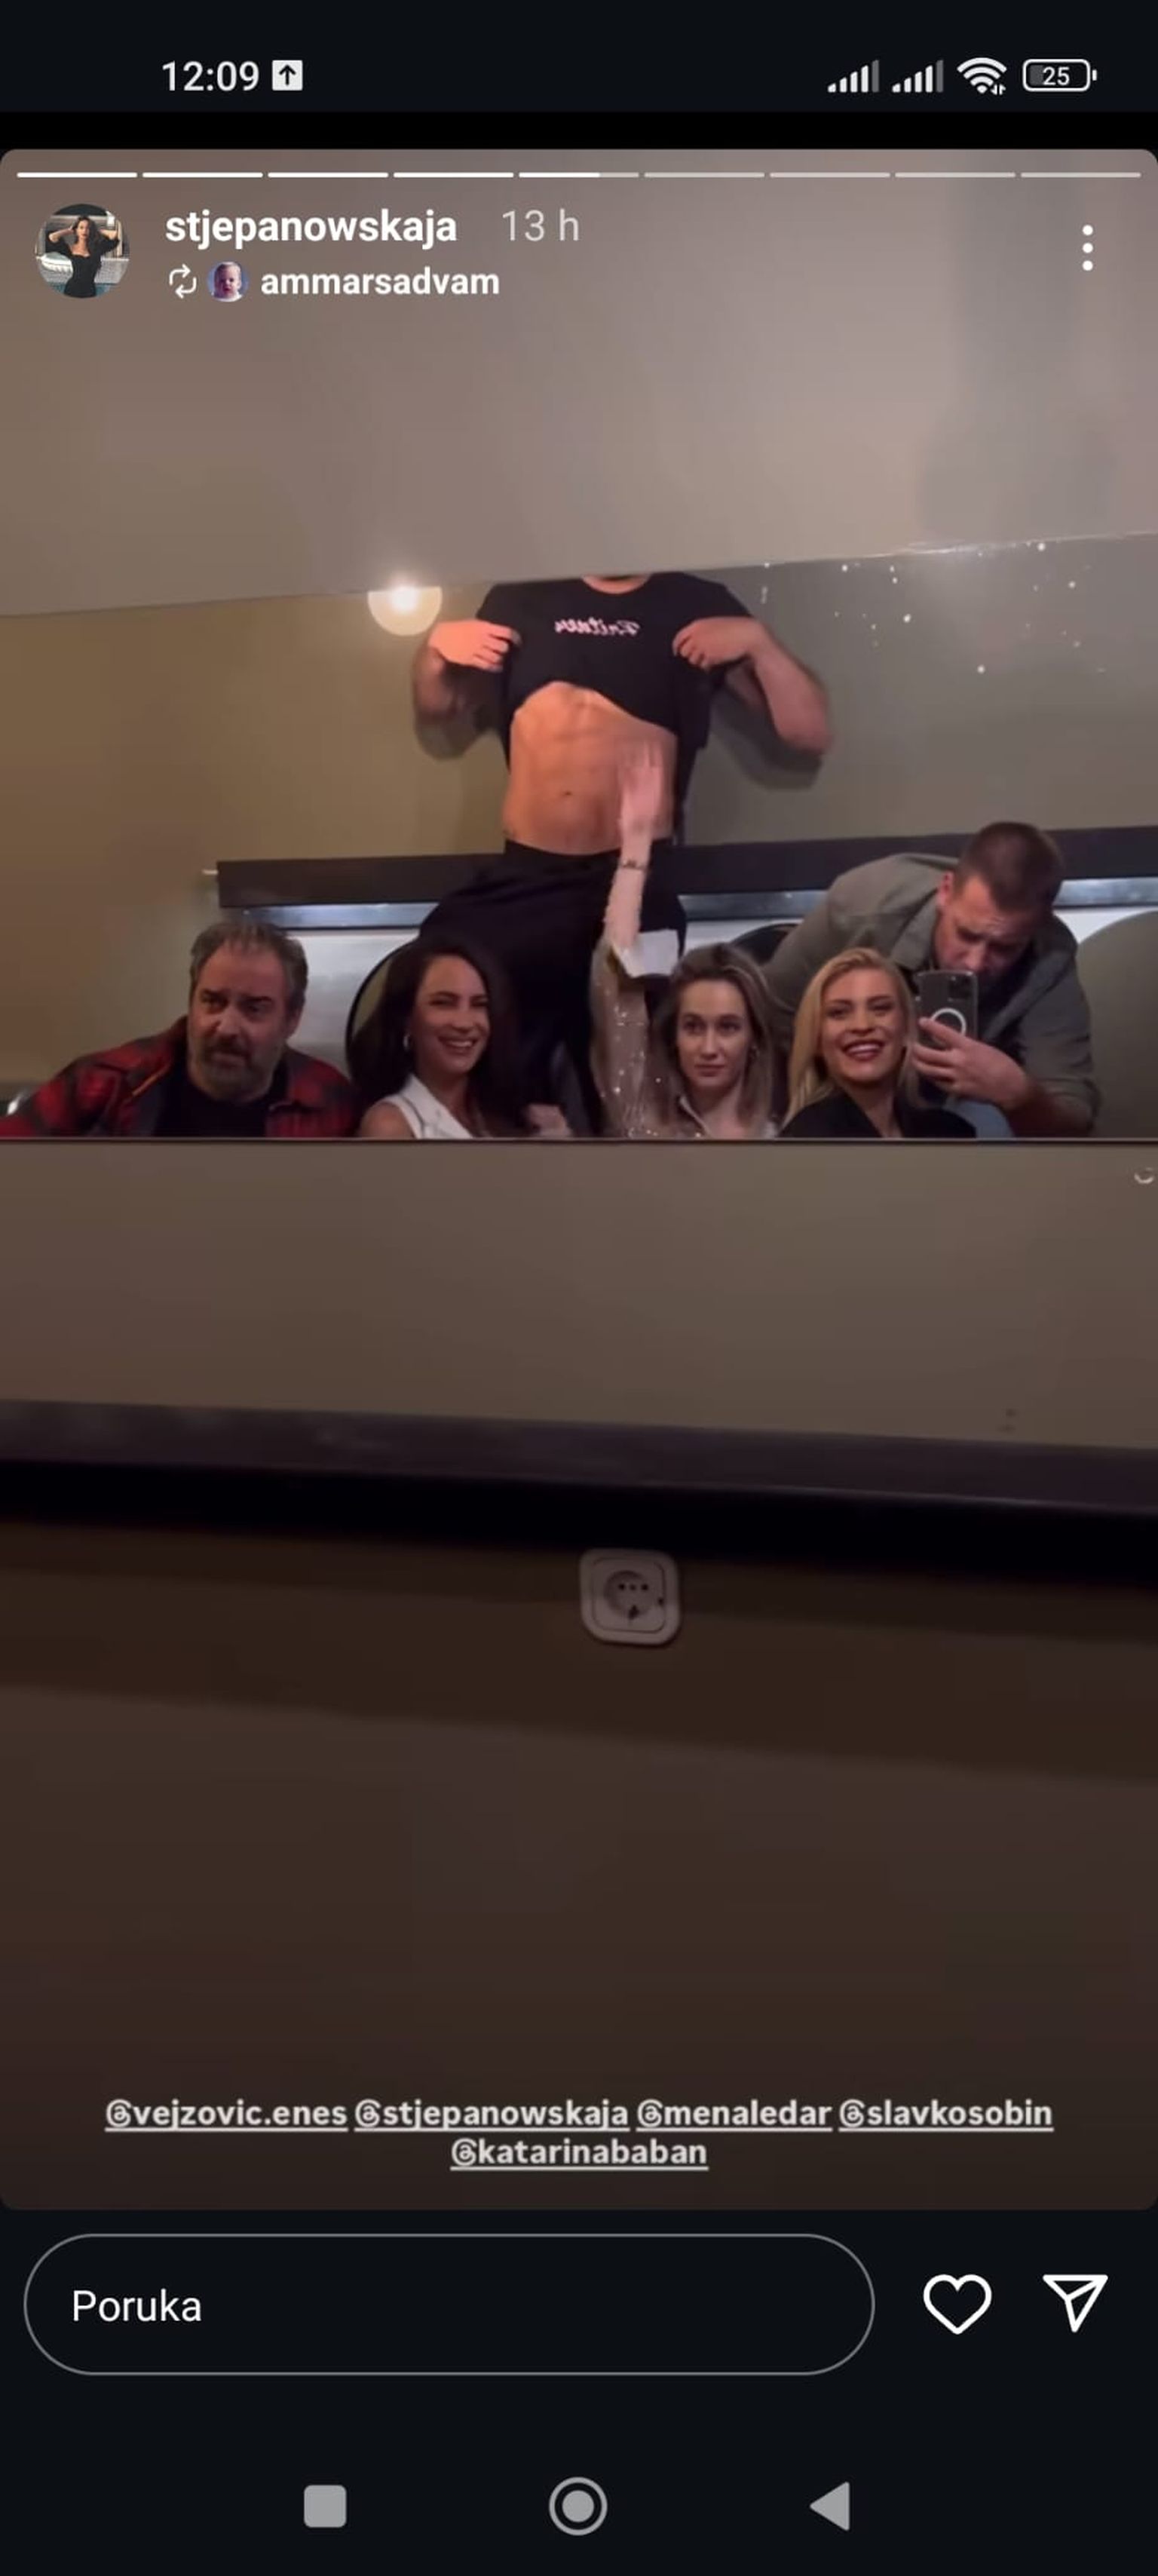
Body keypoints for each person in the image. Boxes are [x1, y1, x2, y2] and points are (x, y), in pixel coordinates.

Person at [412, 571, 830, 1115]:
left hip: (635, 879)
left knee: (636, 1090)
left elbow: (809, 732)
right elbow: (440, 705)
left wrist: (759, 642)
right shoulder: (521, 597)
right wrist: (434, 652)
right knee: (467, 1043)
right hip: (527, 879)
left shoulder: (696, 602)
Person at [764, 824, 1098, 1137]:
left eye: (1004, 948)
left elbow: (1073, 1120)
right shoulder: (861, 908)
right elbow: (767, 1016)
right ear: (946, 891)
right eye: (966, 934)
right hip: (838, 1102)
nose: (975, 962)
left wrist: (1018, 1095)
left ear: (1038, 925)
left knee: (983, 1120)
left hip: (960, 1114)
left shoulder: (1050, 958)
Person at [2, 921, 357, 1137]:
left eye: (254, 1008)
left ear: (292, 1019)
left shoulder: (330, 1101)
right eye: (213, 1001)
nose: (227, 1027)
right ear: (191, 1001)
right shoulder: (102, 1084)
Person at [590, 747, 777, 1139]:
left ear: (754, 1039)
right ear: (674, 1037)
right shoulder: (644, 1120)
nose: (708, 1048)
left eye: (728, 1027)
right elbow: (614, 980)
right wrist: (635, 850)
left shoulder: (781, 1139)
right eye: (693, 1027)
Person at [354, 937, 569, 1139]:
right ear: (406, 1019)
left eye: (479, 1005)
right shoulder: (389, 1124)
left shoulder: (510, 1116)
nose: (464, 1023)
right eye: (443, 1003)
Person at [780, 949, 973, 1140]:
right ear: (817, 1039)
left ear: (907, 1028)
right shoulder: (805, 1138)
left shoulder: (950, 1133)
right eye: (839, 1013)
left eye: (880, 1008)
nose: (862, 1026)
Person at [46, 212, 122, 300]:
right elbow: (52, 237)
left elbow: (114, 235)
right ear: (76, 231)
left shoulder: (97, 249)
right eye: (81, 228)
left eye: (88, 228)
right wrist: (69, 230)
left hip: (90, 291)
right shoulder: (71, 249)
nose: (85, 231)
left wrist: (96, 230)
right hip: (72, 290)